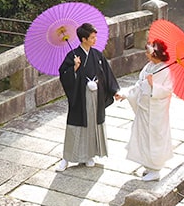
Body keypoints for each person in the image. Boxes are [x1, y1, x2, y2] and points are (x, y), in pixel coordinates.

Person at [56, 23, 122, 171]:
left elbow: (107, 74)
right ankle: (66, 158)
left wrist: (114, 91)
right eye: (92, 37)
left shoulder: (97, 55)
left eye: (95, 37)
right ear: (84, 39)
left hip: (96, 96)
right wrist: (74, 68)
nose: (95, 40)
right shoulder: (72, 56)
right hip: (80, 96)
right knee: (75, 126)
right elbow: (63, 74)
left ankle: (89, 155)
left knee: (93, 124)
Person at [124, 39, 175, 181]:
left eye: (148, 52)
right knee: (143, 136)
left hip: (156, 112)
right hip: (144, 108)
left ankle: (156, 169)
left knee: (155, 138)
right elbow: (139, 84)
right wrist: (126, 94)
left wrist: (154, 86)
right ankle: (148, 165)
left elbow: (168, 90)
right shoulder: (149, 66)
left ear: (155, 54)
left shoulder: (166, 70)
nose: (146, 54)